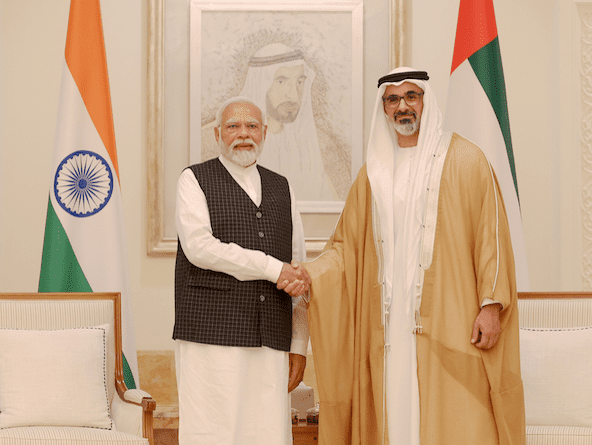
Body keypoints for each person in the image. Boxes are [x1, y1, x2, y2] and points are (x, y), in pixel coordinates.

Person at [299, 67, 526, 445]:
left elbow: (494, 238)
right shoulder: (371, 175)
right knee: (394, 412)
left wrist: (491, 305)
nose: (403, 106)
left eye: (411, 96)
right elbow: (344, 249)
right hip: (387, 327)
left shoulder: (467, 160)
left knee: (459, 417)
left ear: (425, 101)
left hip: (452, 321)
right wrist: (310, 275)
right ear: (384, 109)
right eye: (393, 99)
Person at [173, 96, 311, 445]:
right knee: (213, 433)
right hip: (211, 336)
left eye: (251, 126)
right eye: (233, 126)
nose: (243, 133)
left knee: (268, 434)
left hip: (272, 338)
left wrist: (299, 344)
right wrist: (270, 267)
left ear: (264, 132)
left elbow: (296, 269)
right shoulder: (193, 179)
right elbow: (200, 249)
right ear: (218, 133)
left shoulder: (283, 187)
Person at [201, 43, 350, 202]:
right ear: (260, 85)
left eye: (299, 82)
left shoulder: (321, 143)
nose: (293, 95)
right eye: (281, 82)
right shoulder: (212, 139)